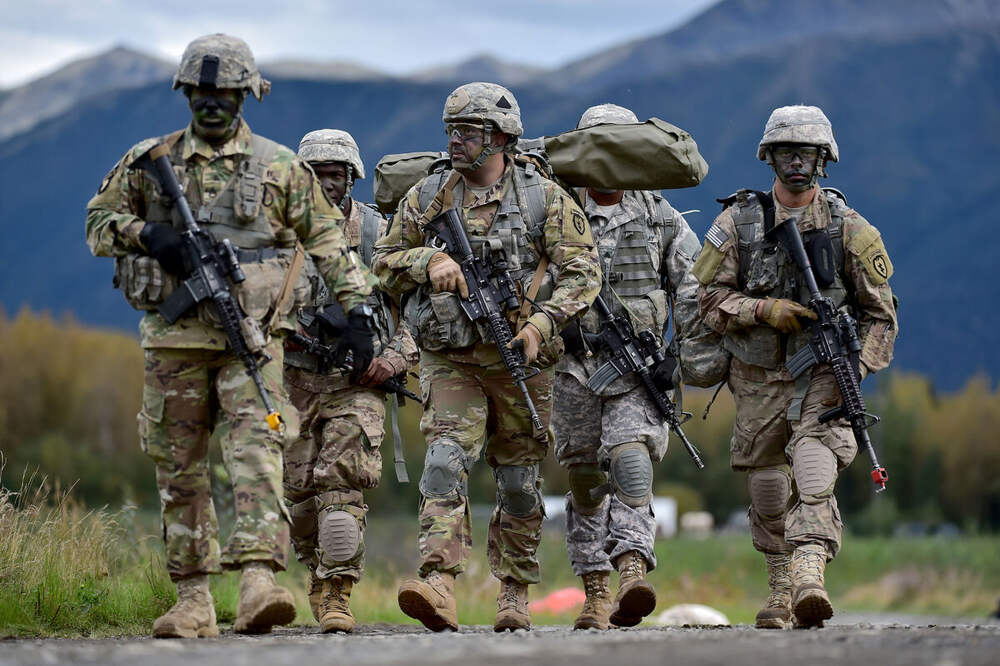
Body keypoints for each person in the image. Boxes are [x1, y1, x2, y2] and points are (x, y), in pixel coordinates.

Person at [84, 34, 374, 638]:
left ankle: (258, 584)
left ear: (246, 96)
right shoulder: (150, 160)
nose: (212, 103)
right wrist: (148, 235)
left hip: (253, 340)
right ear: (186, 94)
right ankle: (192, 598)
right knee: (179, 466)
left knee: (259, 454)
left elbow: (328, 240)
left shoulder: (280, 167)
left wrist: (358, 313)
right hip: (174, 342)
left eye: (225, 93)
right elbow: (97, 223)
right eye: (201, 93)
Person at [372, 82, 601, 632]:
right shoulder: (428, 196)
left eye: (468, 132)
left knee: (519, 481)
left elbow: (584, 271)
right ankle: (439, 582)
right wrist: (427, 261)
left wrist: (542, 324)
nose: (456, 140)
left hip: (523, 361)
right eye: (451, 130)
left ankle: (514, 591)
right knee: (444, 460)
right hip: (451, 357)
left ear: (500, 138)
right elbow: (382, 261)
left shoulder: (543, 199)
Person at [693, 105, 898, 629]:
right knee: (767, 488)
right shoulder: (738, 222)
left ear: (823, 159)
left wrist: (857, 368)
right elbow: (707, 299)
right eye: (787, 152)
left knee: (812, 466)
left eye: (807, 153)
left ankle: (810, 572)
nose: (797, 163)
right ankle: (781, 585)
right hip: (757, 374)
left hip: (825, 373)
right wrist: (764, 310)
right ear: (770, 157)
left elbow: (881, 316)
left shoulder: (850, 229)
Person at [552, 104, 705, 630]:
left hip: (637, 370)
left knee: (631, 463)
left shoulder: (658, 216)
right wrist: (552, 324)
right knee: (585, 478)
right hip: (572, 369)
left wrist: (677, 361)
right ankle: (594, 587)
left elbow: (692, 290)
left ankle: (632, 569)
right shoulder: (556, 210)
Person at [282, 129, 419, 633]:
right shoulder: (279, 234)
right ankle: (317, 577)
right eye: (317, 175)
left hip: (357, 382)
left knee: (341, 488)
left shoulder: (380, 234)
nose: (327, 183)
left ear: (352, 178)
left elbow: (419, 309)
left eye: (335, 174)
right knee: (298, 495)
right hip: (292, 381)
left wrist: (393, 358)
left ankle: (337, 591)